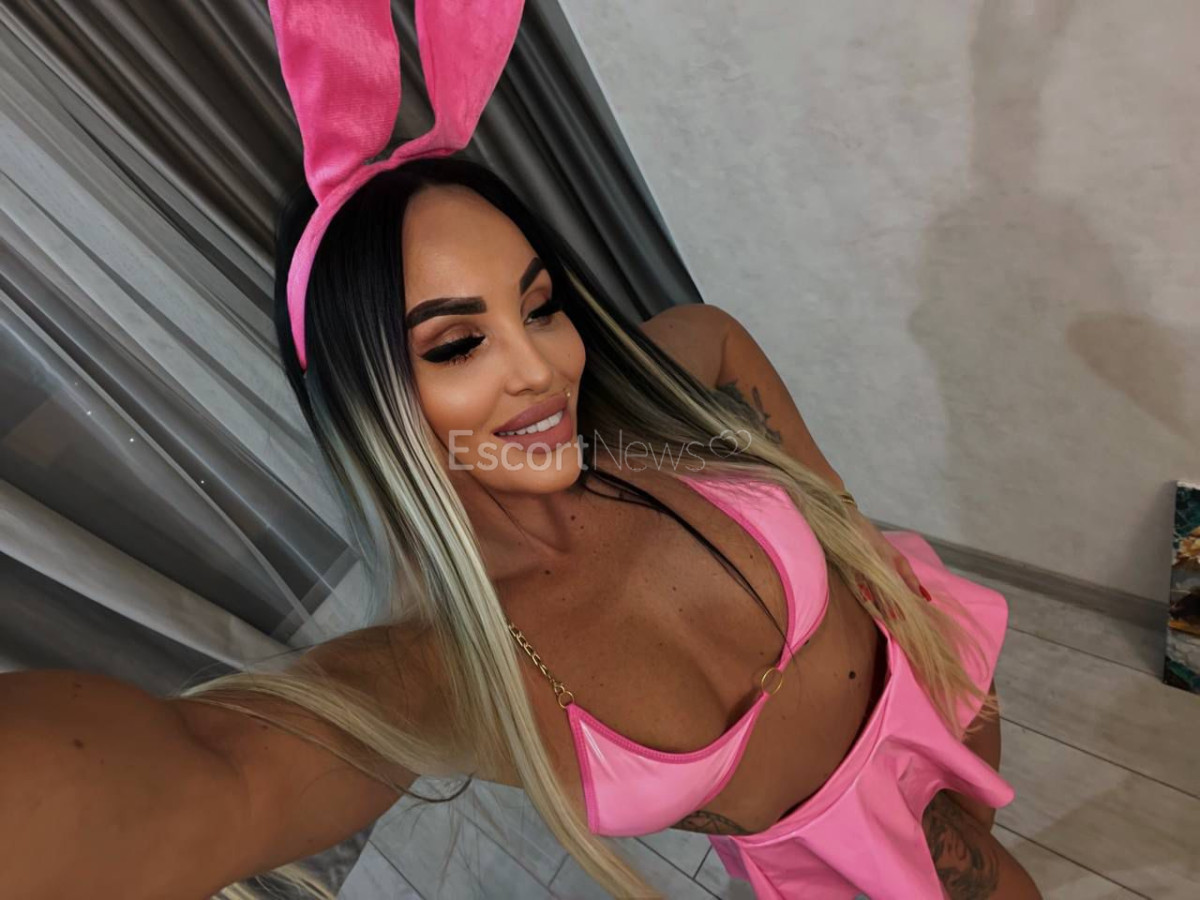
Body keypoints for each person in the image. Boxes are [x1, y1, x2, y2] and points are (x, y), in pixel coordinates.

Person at [0, 2, 1042, 898]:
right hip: (848, 867)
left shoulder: (641, 422)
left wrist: (850, 534)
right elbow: (212, 774)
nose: (542, 367)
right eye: (457, 344)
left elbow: (715, 336)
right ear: (368, 404)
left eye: (539, 307)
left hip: (941, 695)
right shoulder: (448, 670)